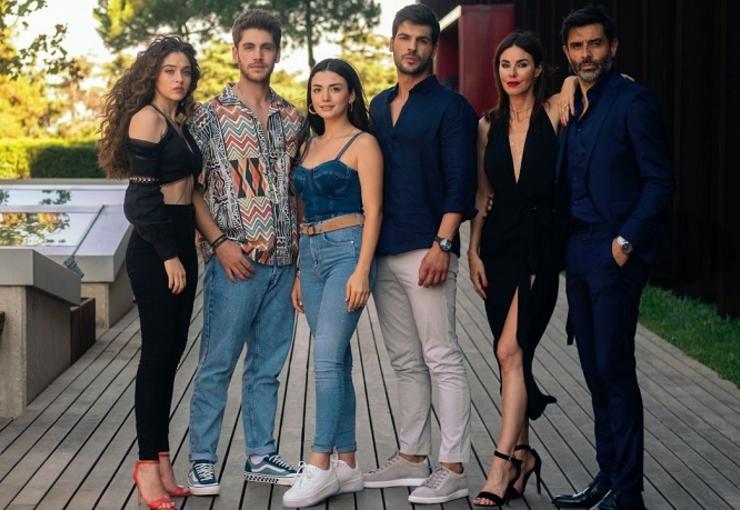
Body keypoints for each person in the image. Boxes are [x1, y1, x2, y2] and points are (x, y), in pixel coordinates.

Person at [551, 7, 673, 510]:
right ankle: (607, 477)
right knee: (593, 370)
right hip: (576, 252)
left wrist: (625, 243)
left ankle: (628, 493)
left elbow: (659, 180)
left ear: (613, 47)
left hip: (612, 250)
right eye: (577, 46)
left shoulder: (633, 101)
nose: (587, 54)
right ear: (567, 52)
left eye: (596, 44)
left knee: (614, 369)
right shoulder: (571, 102)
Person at [185, 9, 305, 495]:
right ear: (235, 52)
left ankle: (260, 454)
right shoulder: (208, 117)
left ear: (277, 53)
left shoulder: (293, 118)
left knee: (267, 367)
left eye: (266, 47)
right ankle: (201, 461)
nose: (258, 55)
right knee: (217, 363)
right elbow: (191, 189)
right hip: (236, 263)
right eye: (249, 47)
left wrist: (301, 256)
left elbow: (297, 191)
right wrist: (220, 243)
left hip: (284, 262)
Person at [363, 4, 477, 505]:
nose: (412, 47)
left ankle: (452, 468)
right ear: (392, 42)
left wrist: (444, 243)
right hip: (383, 250)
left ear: (432, 47)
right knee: (405, 360)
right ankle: (412, 457)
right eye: (404, 38)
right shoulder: (377, 105)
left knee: (441, 356)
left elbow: (461, 182)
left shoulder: (452, 108)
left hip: (428, 249)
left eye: (422, 40)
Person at [467, 31, 576, 507]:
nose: (512, 73)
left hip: (540, 243)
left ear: (538, 69)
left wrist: (569, 83)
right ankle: (524, 455)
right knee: (511, 357)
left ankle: (499, 464)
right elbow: (482, 194)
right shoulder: (486, 125)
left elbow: (605, 80)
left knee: (510, 349)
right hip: (497, 245)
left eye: (522, 64)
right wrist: (473, 251)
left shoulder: (555, 111)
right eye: (505, 65)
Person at [99, 36, 203, 510]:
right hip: (156, 249)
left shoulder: (176, 122)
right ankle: (145, 465)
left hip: (179, 240)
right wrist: (168, 255)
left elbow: (185, 189)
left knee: (170, 355)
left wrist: (188, 243)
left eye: (185, 71)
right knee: (157, 357)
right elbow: (139, 201)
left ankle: (161, 461)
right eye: (170, 70)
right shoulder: (147, 118)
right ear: (153, 75)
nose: (179, 78)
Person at [281, 58, 383, 508]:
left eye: (335, 88)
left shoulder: (364, 143)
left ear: (351, 94)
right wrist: (299, 271)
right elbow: (301, 211)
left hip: (348, 250)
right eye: (318, 89)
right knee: (336, 361)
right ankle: (349, 464)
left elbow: (375, 211)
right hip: (312, 255)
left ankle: (319, 464)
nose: (325, 97)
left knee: (323, 360)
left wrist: (362, 269)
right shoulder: (307, 145)